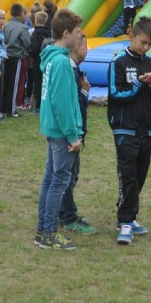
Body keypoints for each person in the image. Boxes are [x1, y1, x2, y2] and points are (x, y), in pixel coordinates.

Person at [108, 16, 151, 244]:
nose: (145, 47)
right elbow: (116, 94)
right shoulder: (118, 62)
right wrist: (139, 83)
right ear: (131, 36)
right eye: (142, 42)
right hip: (125, 128)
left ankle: (129, 214)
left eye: (149, 44)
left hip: (146, 128)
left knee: (140, 175)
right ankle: (125, 221)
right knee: (127, 175)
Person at [34, 8, 84, 250]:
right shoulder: (62, 62)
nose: (80, 36)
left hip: (52, 129)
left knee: (50, 179)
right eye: (77, 32)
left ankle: (42, 230)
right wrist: (73, 135)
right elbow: (61, 102)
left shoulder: (51, 58)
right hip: (62, 132)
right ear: (66, 33)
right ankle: (49, 232)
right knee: (58, 182)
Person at [59, 34, 97, 236]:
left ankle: (62, 211)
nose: (87, 50)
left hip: (73, 131)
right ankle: (68, 216)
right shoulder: (70, 71)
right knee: (68, 176)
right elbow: (72, 105)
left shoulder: (73, 69)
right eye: (86, 46)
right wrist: (84, 92)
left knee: (70, 175)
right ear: (77, 48)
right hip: (71, 132)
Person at [2, 3, 31, 116]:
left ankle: (3, 107)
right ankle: (12, 110)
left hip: (6, 56)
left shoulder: (7, 25)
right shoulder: (22, 27)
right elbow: (27, 43)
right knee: (14, 84)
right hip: (16, 56)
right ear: (21, 14)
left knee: (6, 82)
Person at [28, 10, 52, 112]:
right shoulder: (50, 32)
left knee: (38, 83)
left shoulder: (35, 33)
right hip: (49, 60)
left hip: (38, 61)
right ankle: (48, 104)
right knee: (47, 82)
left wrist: (31, 55)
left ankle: (38, 106)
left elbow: (33, 48)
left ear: (35, 21)